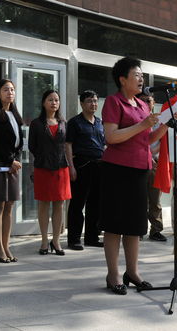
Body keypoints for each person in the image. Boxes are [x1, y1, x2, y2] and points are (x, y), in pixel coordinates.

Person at [99, 56, 177, 295]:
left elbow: (148, 139)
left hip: (139, 169)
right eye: (137, 74)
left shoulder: (143, 105)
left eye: (142, 75)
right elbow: (111, 137)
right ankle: (113, 274)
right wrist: (144, 125)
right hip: (117, 169)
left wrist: (165, 124)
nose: (141, 78)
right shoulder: (114, 102)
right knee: (115, 224)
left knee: (134, 225)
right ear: (122, 80)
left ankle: (132, 272)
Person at [28, 90, 71, 256]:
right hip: (43, 167)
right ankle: (44, 241)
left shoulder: (63, 122)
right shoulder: (37, 123)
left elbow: (66, 145)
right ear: (43, 103)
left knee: (59, 205)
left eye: (56, 100)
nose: (54, 102)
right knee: (44, 204)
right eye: (50, 99)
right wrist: (44, 157)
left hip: (61, 168)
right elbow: (32, 146)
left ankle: (56, 241)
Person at [0, 79, 24, 263]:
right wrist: (10, 160)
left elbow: (20, 142)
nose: (10, 92)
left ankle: (6, 245)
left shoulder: (15, 115)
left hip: (13, 165)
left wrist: (15, 160)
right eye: (5, 89)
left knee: (10, 206)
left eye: (12, 89)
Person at [64, 90, 105, 250]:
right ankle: (74, 239)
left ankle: (92, 237)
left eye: (95, 101)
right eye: (89, 101)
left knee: (95, 203)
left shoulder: (100, 122)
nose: (93, 104)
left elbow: (104, 144)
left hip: (99, 166)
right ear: (82, 104)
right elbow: (68, 145)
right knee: (77, 203)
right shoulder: (75, 122)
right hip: (82, 165)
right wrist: (71, 167)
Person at [137, 92, 167, 242]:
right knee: (139, 199)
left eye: (148, 101)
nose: (145, 103)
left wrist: (150, 154)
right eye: (141, 100)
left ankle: (156, 230)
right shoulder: (135, 119)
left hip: (155, 162)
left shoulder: (160, 121)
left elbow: (163, 141)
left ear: (154, 103)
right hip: (138, 163)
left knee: (155, 199)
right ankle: (138, 229)